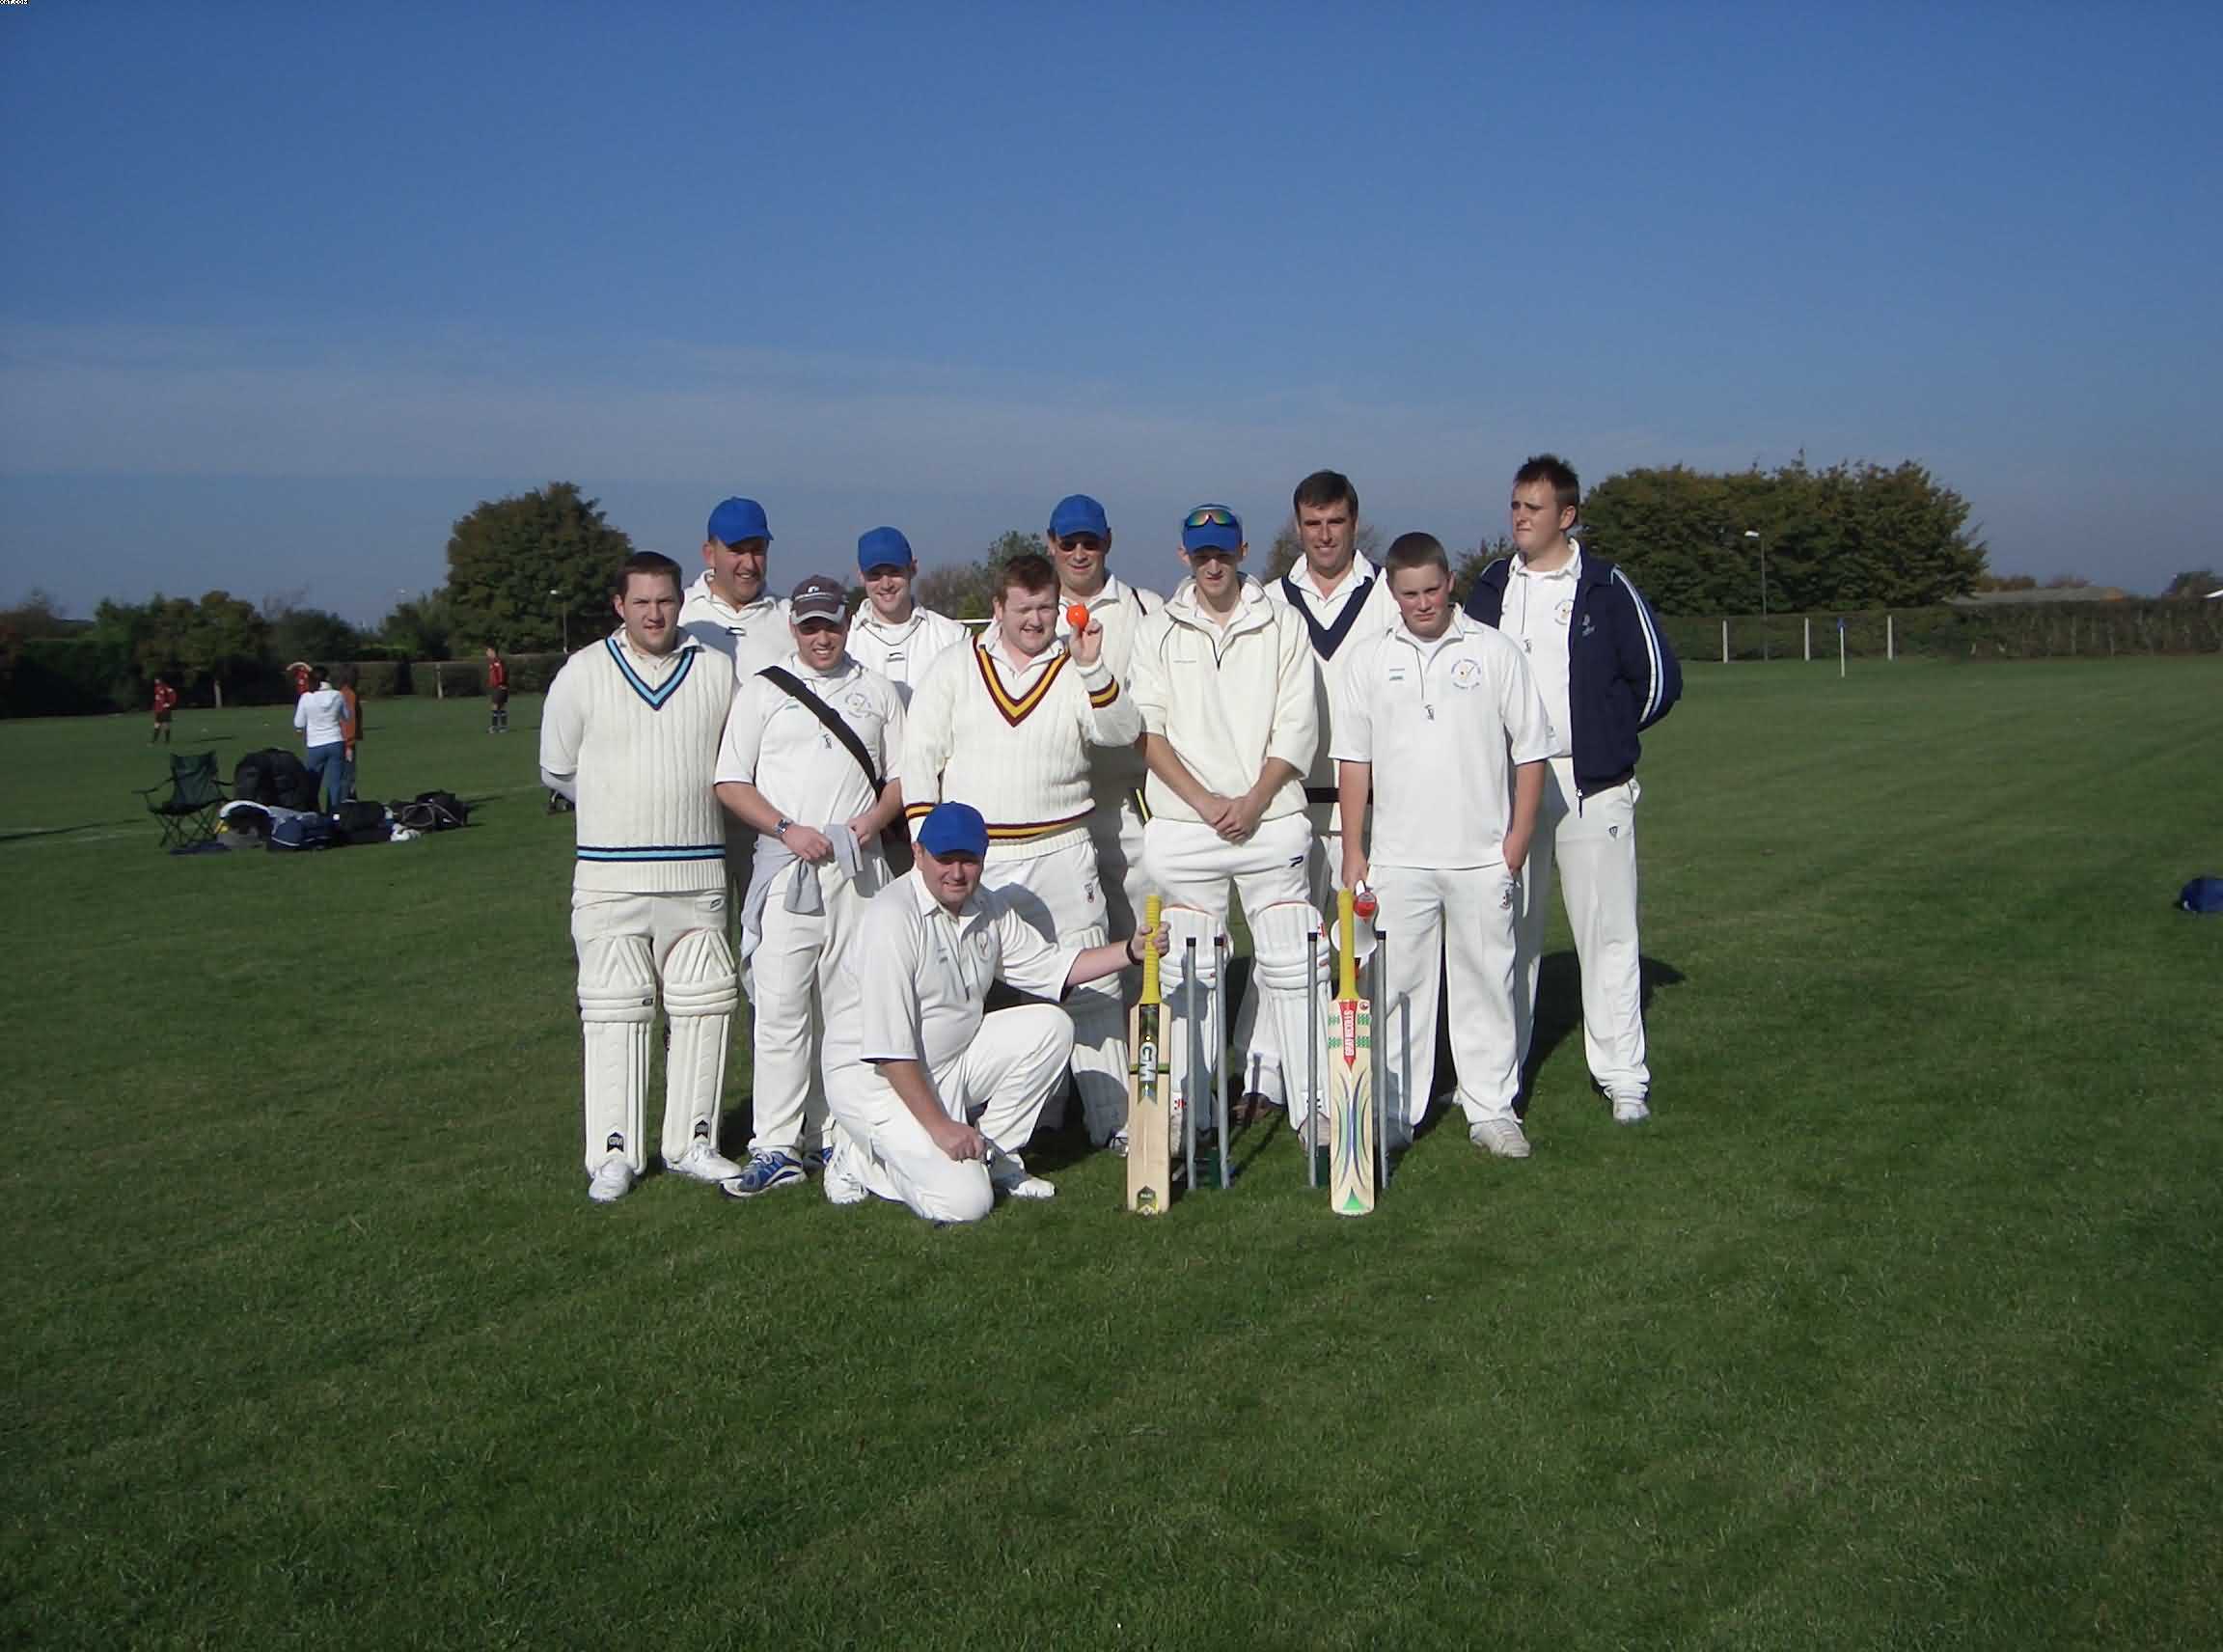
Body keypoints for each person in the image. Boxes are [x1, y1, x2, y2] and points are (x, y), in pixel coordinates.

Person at [1462, 454, 1682, 1124]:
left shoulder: (1608, 587)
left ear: (1567, 515)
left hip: (1591, 785)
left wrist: (1602, 741)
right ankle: (1496, 1081)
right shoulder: (1493, 585)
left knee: (1607, 932)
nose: (1519, 518)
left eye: (1533, 508)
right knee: (1505, 934)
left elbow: (1658, 680)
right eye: (1515, 505)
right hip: (1508, 788)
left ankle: (1623, 1077)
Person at [818, 802, 1165, 1223]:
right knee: (966, 1204)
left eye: (969, 860)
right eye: (946, 859)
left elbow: (1054, 968)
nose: (957, 873)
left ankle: (997, 1155)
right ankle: (857, 1158)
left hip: (950, 1061)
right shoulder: (892, 919)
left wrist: (1132, 950)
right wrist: (941, 1129)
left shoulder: (987, 906)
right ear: (919, 854)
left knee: (1051, 1026)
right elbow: (889, 1051)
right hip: (875, 1083)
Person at [900, 552, 1142, 1148]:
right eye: (1023, 608)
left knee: (1093, 983)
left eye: (1044, 607)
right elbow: (919, 760)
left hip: (1062, 847)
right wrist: (925, 847)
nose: (1035, 620)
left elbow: (1121, 733)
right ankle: (1013, 1121)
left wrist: (1091, 668)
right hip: (980, 860)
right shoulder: (955, 666)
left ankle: (1113, 1121)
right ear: (997, 608)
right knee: (979, 992)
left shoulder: (1074, 662)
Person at [538, 550, 746, 1202]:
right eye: (642, 602)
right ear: (619, 606)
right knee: (616, 1009)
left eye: (665, 600)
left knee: (707, 1002)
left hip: (697, 876)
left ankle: (693, 1143)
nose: (655, 612)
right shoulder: (583, 673)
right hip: (611, 879)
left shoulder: (716, 670)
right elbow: (557, 768)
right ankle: (613, 1154)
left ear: (678, 602)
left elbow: (734, 762)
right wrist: (617, 817)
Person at [1334, 533, 1551, 1156]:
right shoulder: (1370, 659)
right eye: (1409, 594)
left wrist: (1517, 842)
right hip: (1399, 858)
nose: (1423, 604)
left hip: (1481, 855)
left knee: (1487, 982)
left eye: (1432, 590)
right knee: (1400, 989)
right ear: (1392, 593)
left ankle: (1491, 1109)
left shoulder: (1494, 651)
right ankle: (1398, 1111)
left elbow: (1531, 750)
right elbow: (1354, 759)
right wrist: (1354, 849)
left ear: (1449, 582)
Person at [1128, 505, 1330, 1144]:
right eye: (1201, 553)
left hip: (1268, 820)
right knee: (1189, 968)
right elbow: (1147, 732)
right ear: (1184, 555)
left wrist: (1252, 798)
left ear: (1241, 549)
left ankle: (1315, 1108)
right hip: (1186, 828)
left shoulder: (1282, 624)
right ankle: (1190, 1108)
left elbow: (1297, 727)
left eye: (1223, 551)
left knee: (1296, 962)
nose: (1214, 564)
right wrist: (1206, 800)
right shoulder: (1156, 629)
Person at [713, 574, 908, 1198]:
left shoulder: (877, 691)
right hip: (785, 868)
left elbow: (904, 777)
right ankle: (775, 1144)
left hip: (859, 869)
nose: (821, 637)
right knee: (780, 1010)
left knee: (849, 1009)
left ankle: (840, 1136)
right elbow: (731, 782)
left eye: (831, 624)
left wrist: (871, 822)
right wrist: (788, 828)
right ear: (794, 627)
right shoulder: (762, 693)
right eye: (809, 626)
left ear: (847, 622)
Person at [1245, 469, 1399, 1113]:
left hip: (1370, 807)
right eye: (1312, 523)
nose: (1325, 535)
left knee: (1362, 949)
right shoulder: (1272, 599)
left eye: (1336, 522)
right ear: (1298, 526)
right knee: (1280, 949)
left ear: (1354, 522)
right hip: (1289, 802)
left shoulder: (1391, 593)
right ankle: (1265, 1078)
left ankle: (1366, 1074)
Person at [1047, 493, 1163, 963]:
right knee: (1068, 940)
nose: (1079, 554)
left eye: (1089, 543)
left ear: (1107, 543)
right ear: (1051, 544)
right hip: (1055, 805)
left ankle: (1147, 1030)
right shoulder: (1034, 613)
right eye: (1069, 542)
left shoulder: (1145, 607)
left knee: (1141, 932)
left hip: (1127, 801)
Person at [844, 526, 970, 703]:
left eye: (894, 572)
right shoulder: (845, 640)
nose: (886, 584)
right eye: (875, 575)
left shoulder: (953, 637)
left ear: (913, 569)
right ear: (861, 576)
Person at [680, 495, 790, 680]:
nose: (749, 564)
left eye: (757, 550)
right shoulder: (677, 614)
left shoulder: (791, 619)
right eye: (737, 550)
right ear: (710, 554)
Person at [291, 667, 349, 812]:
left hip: (315, 744)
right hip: (336, 741)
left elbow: (299, 723)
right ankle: (334, 814)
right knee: (335, 783)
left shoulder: (307, 697)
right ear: (327, 678)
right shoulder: (337, 695)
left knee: (312, 782)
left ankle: (313, 813)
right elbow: (346, 716)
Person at [334, 665, 362, 806]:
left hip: (338, 739)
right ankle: (345, 806)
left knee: (341, 776)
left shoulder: (339, 693)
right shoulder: (349, 694)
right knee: (348, 776)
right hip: (346, 741)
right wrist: (349, 744)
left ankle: (345, 803)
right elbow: (349, 721)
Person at [485, 646, 510, 733]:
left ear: (493, 652)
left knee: (495, 706)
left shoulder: (497, 662)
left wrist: (500, 684)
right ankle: (503, 727)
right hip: (499, 687)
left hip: (499, 688)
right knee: (501, 707)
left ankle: (495, 727)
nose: (487, 653)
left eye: (488, 651)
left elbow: (501, 674)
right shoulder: (494, 662)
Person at [150, 675, 178, 743]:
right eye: (155, 680)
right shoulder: (156, 688)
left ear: (160, 680)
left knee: (165, 725)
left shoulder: (166, 687)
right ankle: (153, 741)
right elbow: (157, 699)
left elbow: (173, 695)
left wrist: (169, 704)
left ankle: (167, 741)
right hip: (158, 710)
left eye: (157, 680)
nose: (155, 681)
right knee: (157, 724)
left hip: (165, 710)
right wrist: (155, 707)